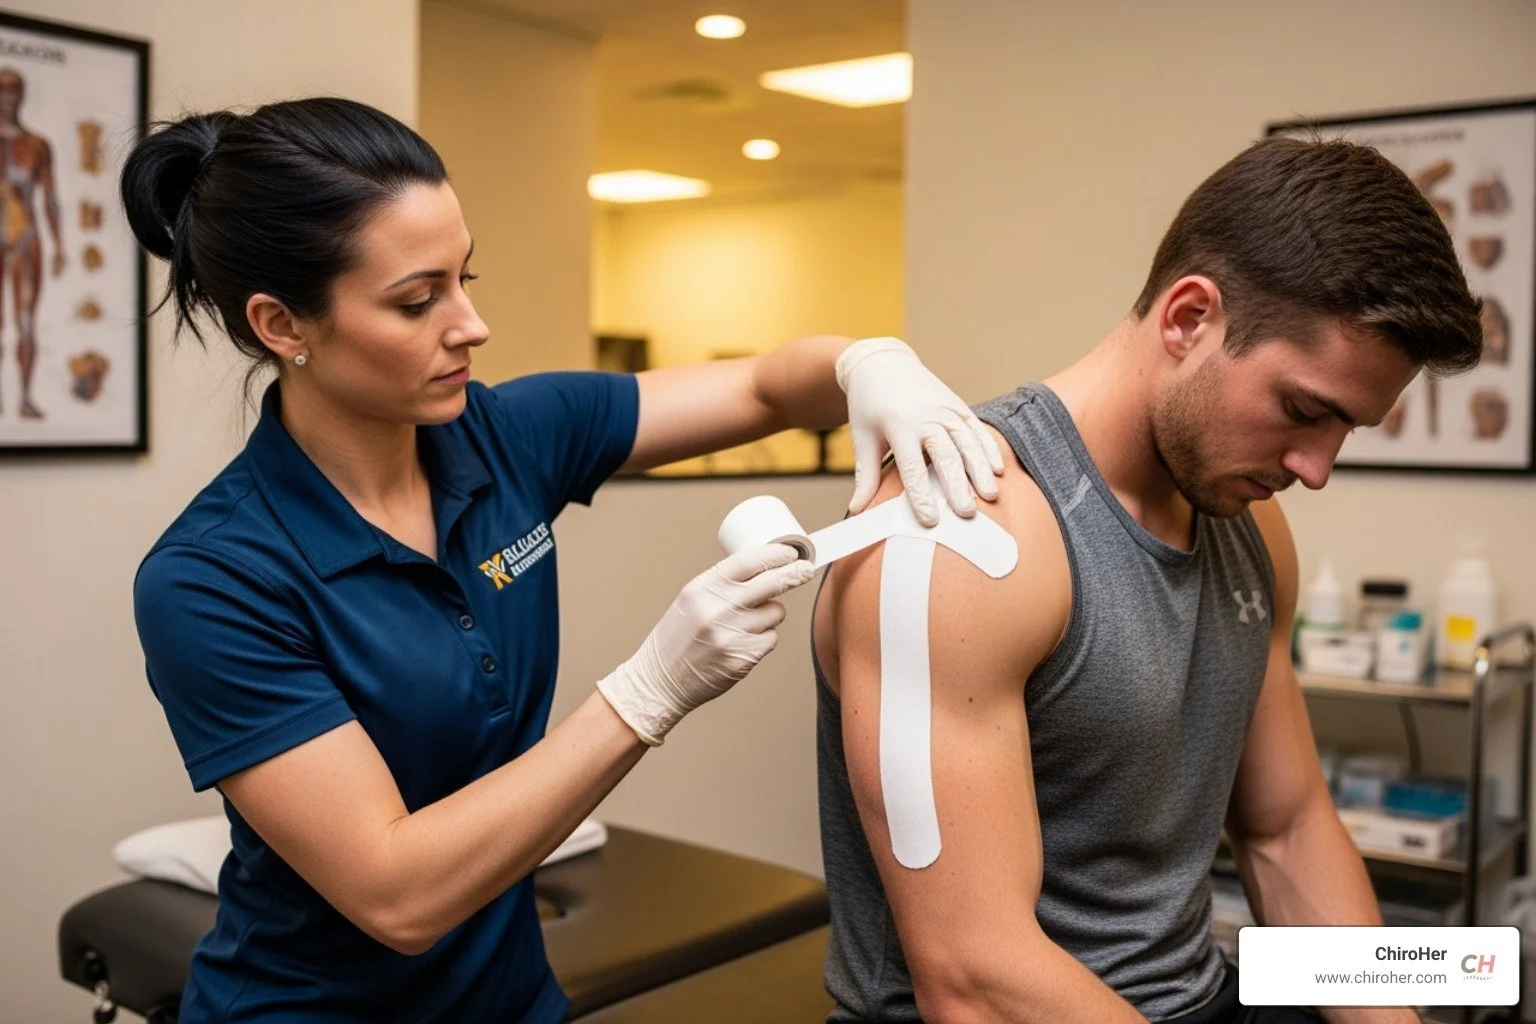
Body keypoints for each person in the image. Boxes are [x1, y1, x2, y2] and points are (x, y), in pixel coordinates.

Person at [124, 97, 1004, 1024]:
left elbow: (761, 385)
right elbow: (398, 895)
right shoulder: (213, 578)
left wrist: (871, 364)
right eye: (418, 301)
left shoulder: (502, 439)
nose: (471, 325)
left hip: (513, 1001)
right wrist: (651, 688)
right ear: (281, 326)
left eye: (466, 278)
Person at [812, 135, 1482, 1024]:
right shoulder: (964, 535)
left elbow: (1287, 831)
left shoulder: (1252, 529)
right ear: (1188, 317)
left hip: (1191, 998)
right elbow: (973, 975)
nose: (1317, 468)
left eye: (1346, 430)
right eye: (1303, 410)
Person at [0, 68, 65, 419]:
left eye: (13, 92)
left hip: (26, 236)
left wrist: (59, 246)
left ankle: (24, 397)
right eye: (1, 92)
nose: (7, 100)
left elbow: (51, 199)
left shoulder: (36, 145)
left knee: (26, 320)